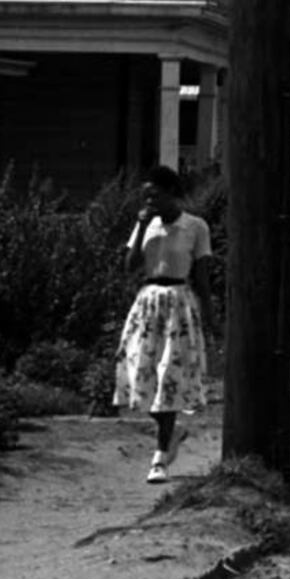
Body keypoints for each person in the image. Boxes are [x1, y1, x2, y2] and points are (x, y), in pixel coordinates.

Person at [113, 164, 213, 484]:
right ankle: (171, 433)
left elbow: (202, 276)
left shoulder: (195, 227)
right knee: (141, 373)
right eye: (146, 197)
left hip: (178, 302)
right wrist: (142, 228)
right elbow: (128, 267)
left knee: (168, 373)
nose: (149, 202)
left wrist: (211, 317)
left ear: (171, 193)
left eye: (155, 195)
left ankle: (159, 458)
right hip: (147, 302)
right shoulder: (145, 225)